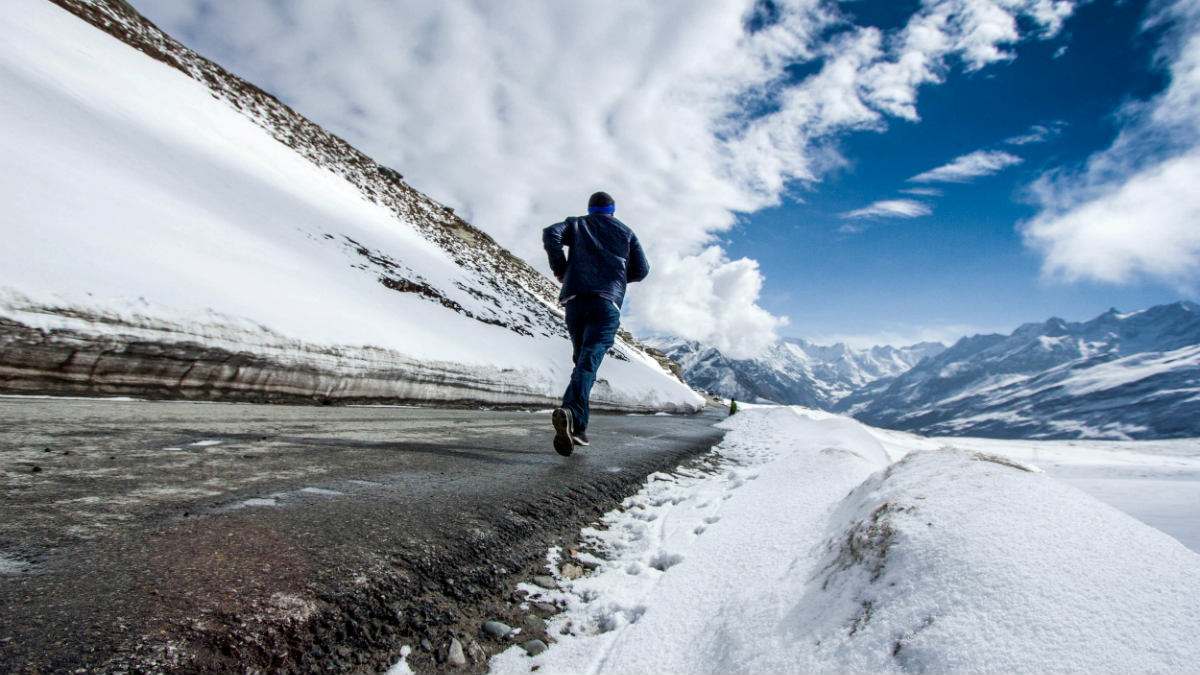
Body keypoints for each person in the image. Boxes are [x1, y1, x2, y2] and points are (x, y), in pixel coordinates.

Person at [543, 191, 649, 456]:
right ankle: (570, 411)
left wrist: (561, 268)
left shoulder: (577, 224)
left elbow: (550, 233)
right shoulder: (626, 232)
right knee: (588, 363)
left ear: (590, 210)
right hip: (605, 304)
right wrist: (618, 278)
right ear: (612, 211)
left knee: (582, 365)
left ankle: (578, 428)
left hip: (575, 302)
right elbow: (642, 270)